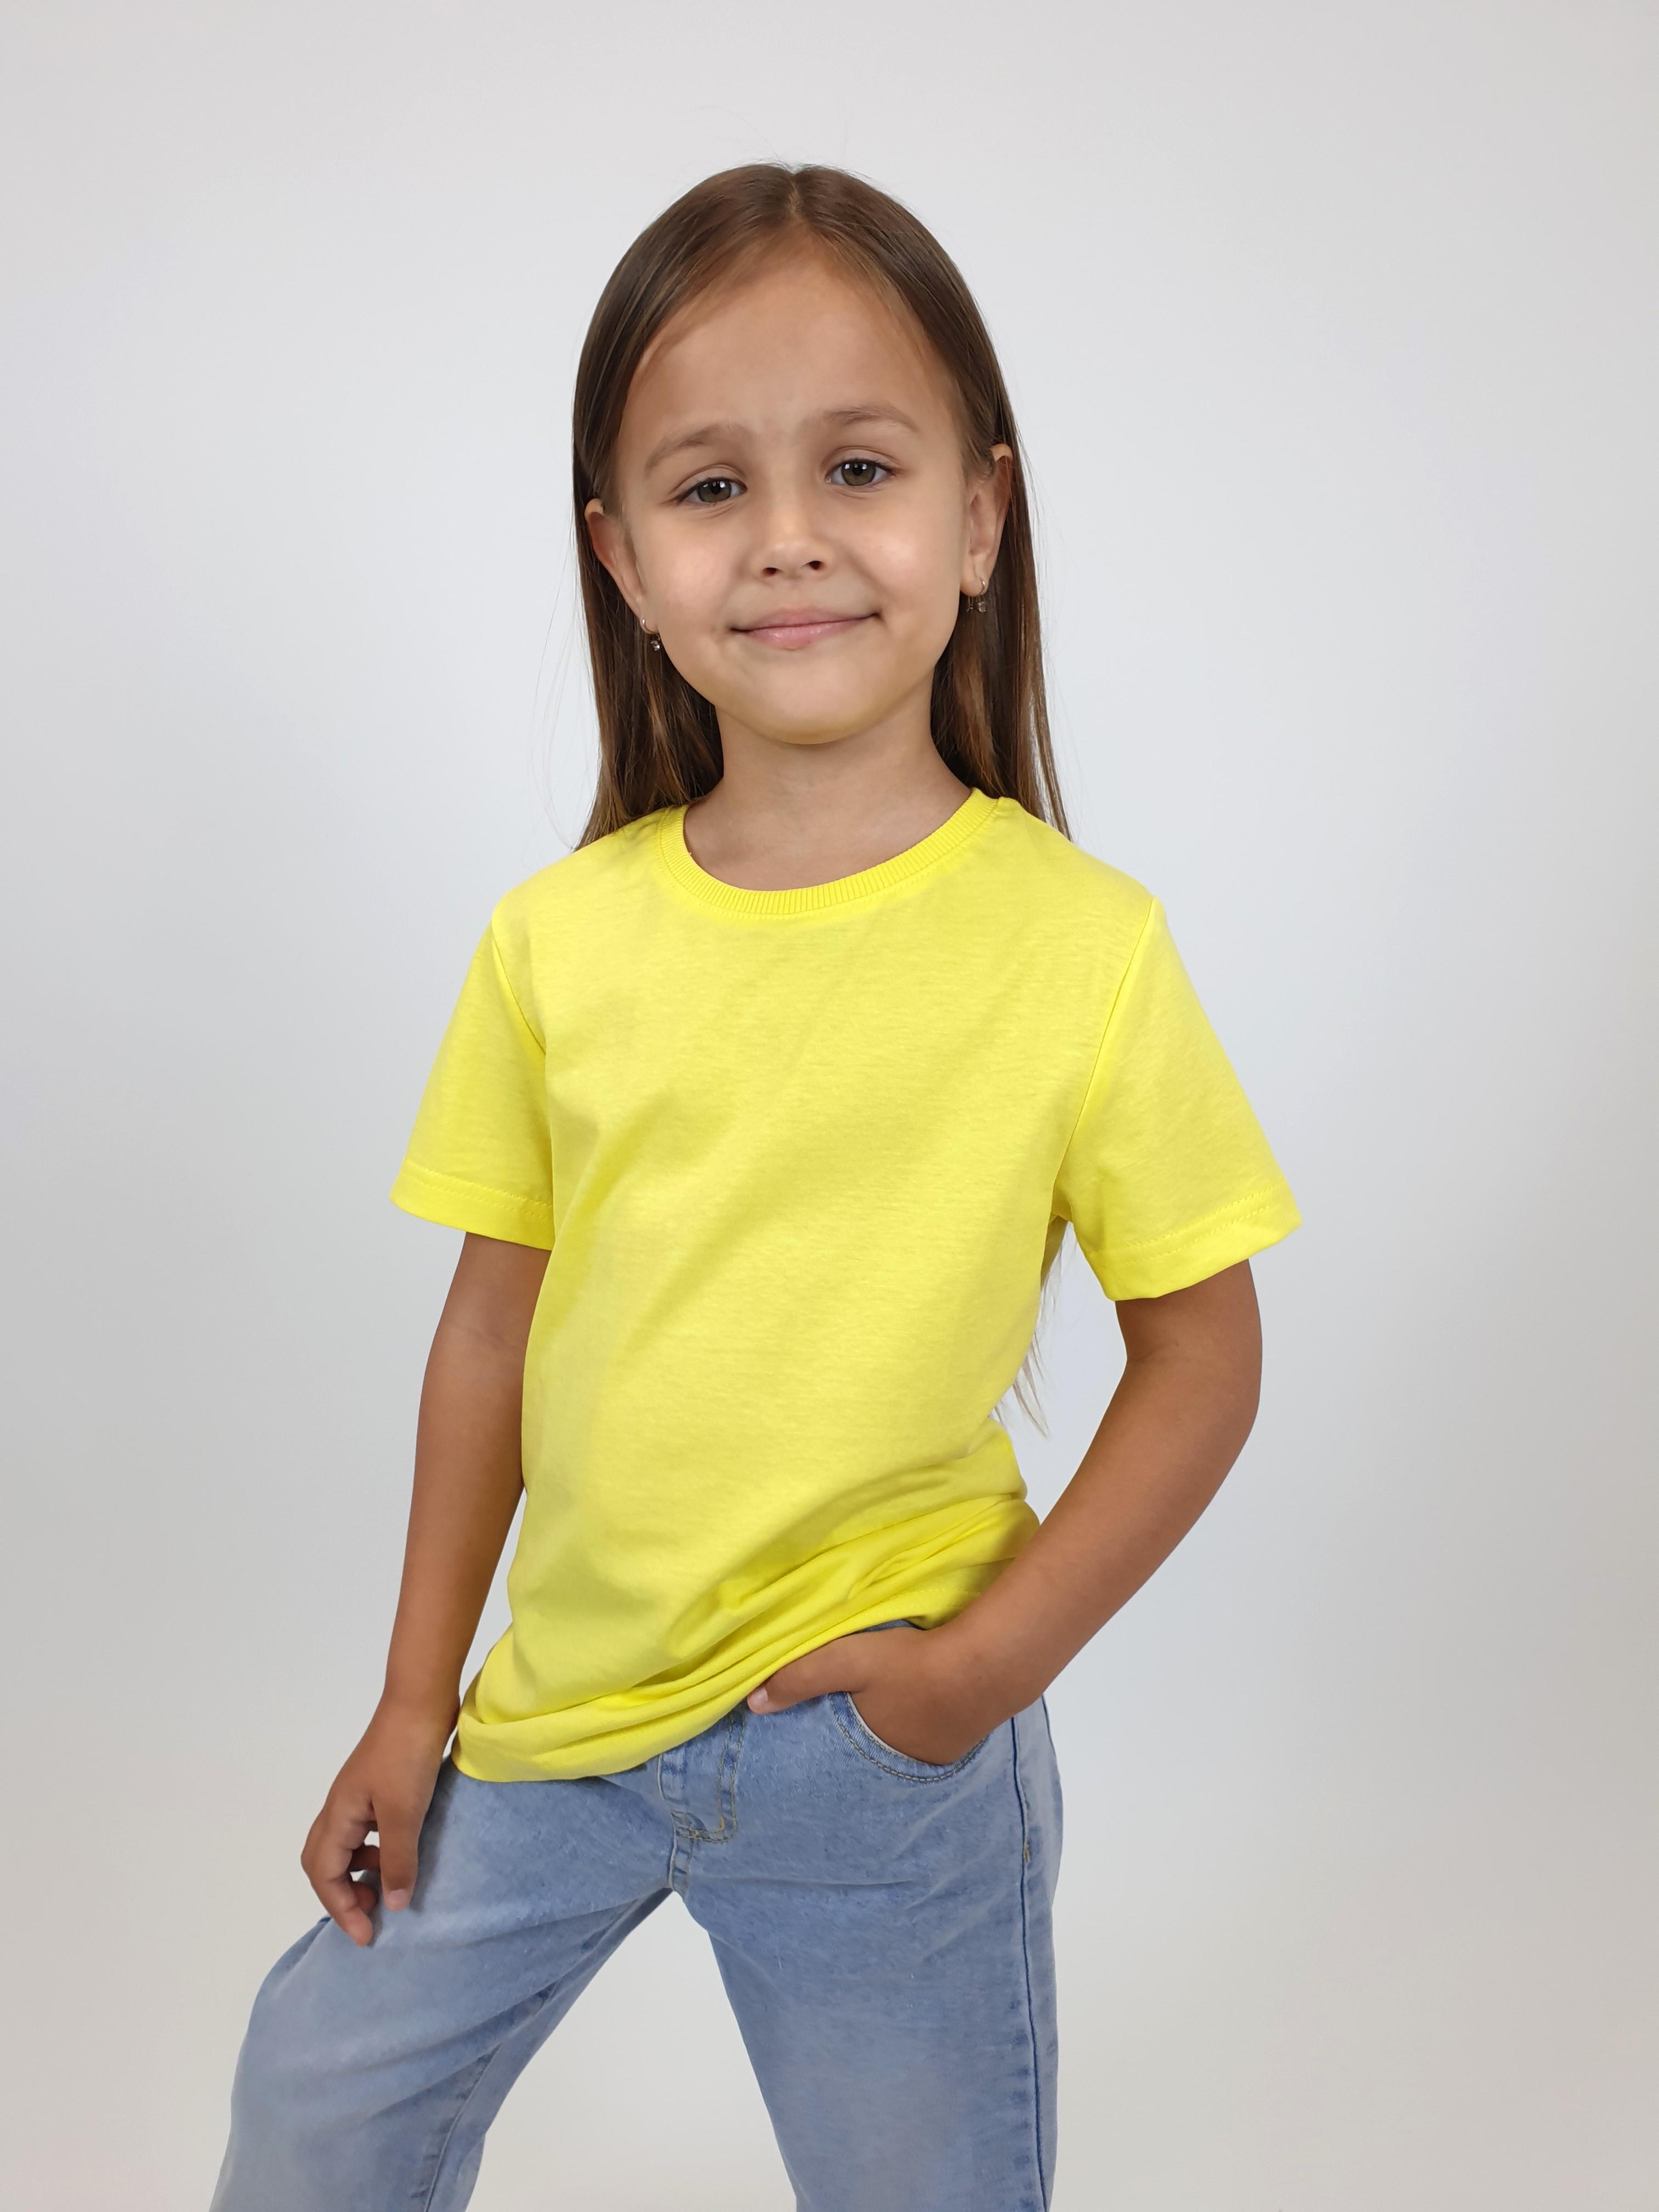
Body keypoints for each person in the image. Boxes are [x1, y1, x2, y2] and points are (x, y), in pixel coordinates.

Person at [208, 161, 1301, 2212]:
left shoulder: (1082, 947)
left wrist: (978, 1677)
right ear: (622, 560)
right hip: (557, 1723)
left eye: (859, 468)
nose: (789, 535)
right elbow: (490, 1337)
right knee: (318, 2101)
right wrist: (413, 1700)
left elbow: (1206, 1357)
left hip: (871, 1742)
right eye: (712, 488)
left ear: (979, 519)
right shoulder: (557, 943)